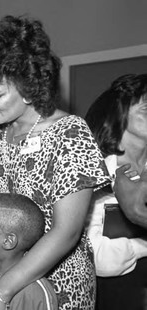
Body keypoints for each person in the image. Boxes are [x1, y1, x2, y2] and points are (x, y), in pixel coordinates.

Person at [0, 15, 110, 310]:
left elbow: (66, 232)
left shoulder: (70, 132)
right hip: (3, 272)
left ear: (29, 89)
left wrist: (2, 291)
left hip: (57, 282)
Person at [85, 73, 147, 310]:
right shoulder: (92, 173)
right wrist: (142, 247)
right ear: (118, 113)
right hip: (114, 295)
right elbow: (96, 258)